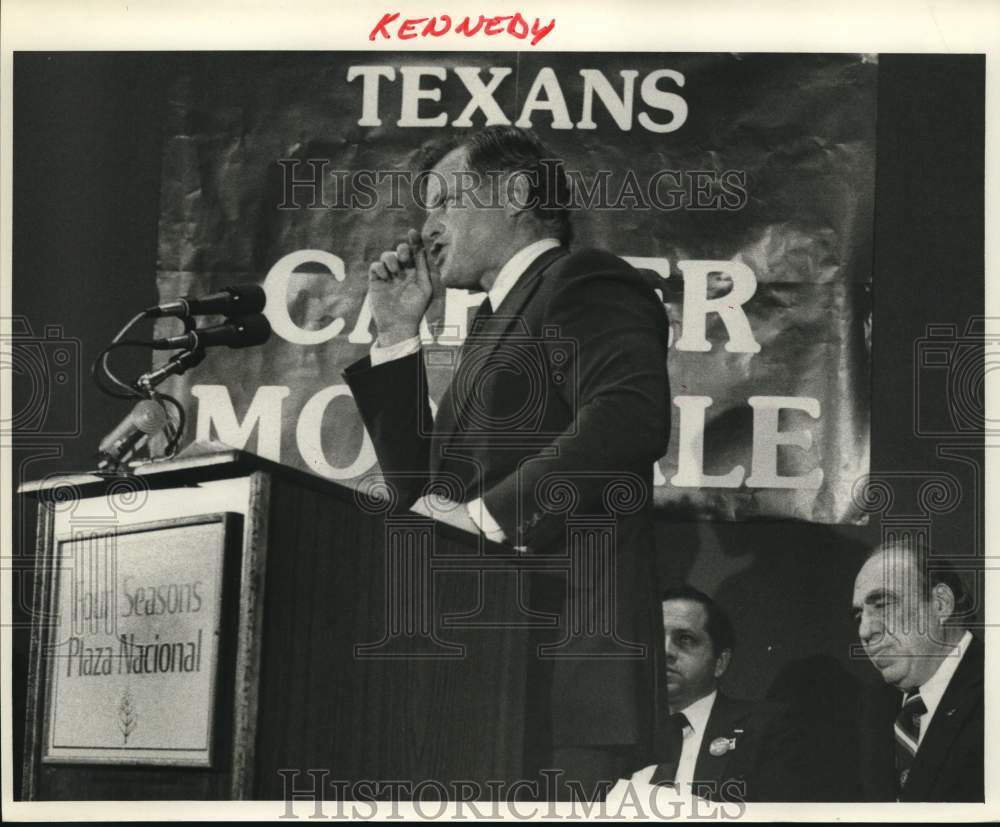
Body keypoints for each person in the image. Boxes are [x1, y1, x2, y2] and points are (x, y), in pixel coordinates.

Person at [343, 125, 671, 797]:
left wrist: (486, 520)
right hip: (490, 674)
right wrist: (399, 332)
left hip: (567, 675)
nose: (427, 227)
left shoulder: (583, 279)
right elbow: (425, 497)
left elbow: (627, 416)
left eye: (442, 202)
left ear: (517, 192)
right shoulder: (493, 323)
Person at [610, 587, 814, 803]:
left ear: (720, 662)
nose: (665, 651)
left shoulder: (766, 728)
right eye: (655, 639)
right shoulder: (617, 733)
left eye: (685, 639)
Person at [851, 543, 983, 802]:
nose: (865, 632)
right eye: (859, 616)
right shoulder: (873, 707)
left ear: (941, 604)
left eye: (883, 604)